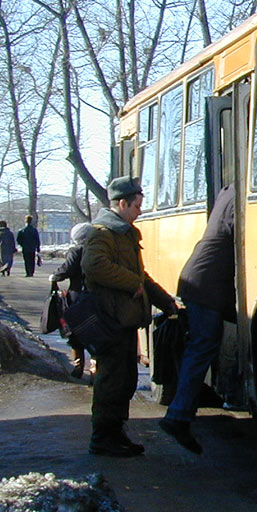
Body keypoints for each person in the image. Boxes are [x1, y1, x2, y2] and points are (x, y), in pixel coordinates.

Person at [82, 176, 177, 457]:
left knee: (124, 379)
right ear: (121, 203)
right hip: (111, 319)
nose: (139, 211)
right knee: (112, 380)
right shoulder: (102, 232)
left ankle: (115, 433)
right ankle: (103, 438)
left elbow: (141, 277)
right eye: (136, 206)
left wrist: (165, 301)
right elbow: (94, 266)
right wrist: (130, 283)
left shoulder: (124, 232)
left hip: (123, 320)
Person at [159, 185, 235, 454]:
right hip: (206, 285)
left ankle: (180, 411)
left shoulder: (227, 192)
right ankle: (177, 417)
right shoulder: (240, 194)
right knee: (202, 347)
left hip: (201, 280)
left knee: (200, 347)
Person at [50, 222, 93, 380]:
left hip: (78, 297)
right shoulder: (99, 250)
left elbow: (66, 270)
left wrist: (55, 276)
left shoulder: (76, 251)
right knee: (96, 334)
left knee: (75, 332)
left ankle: (78, 366)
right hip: (97, 296)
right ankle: (95, 369)